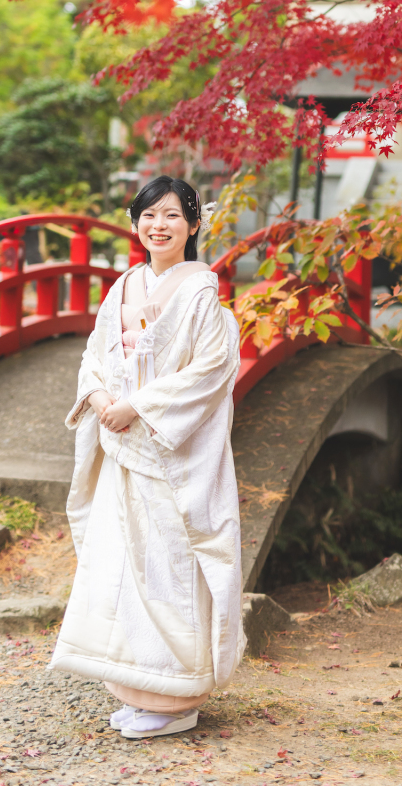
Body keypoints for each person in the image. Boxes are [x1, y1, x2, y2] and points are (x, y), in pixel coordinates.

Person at [50, 176, 244, 739]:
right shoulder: (124, 285)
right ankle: (137, 687)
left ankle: (177, 696)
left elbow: (208, 372)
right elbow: (94, 353)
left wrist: (136, 405)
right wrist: (101, 397)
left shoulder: (203, 295)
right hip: (122, 446)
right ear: (135, 223)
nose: (159, 226)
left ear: (193, 224)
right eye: (148, 215)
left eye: (173, 216)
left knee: (169, 566)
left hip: (168, 454)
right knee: (123, 568)